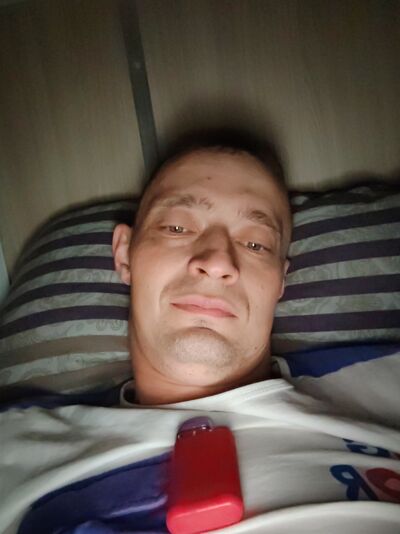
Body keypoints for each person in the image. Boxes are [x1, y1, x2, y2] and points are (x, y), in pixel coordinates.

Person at [0, 131, 399, 533]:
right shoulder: (19, 445)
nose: (217, 262)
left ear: (280, 281)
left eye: (256, 244)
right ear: (124, 254)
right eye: (177, 227)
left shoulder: (380, 382)